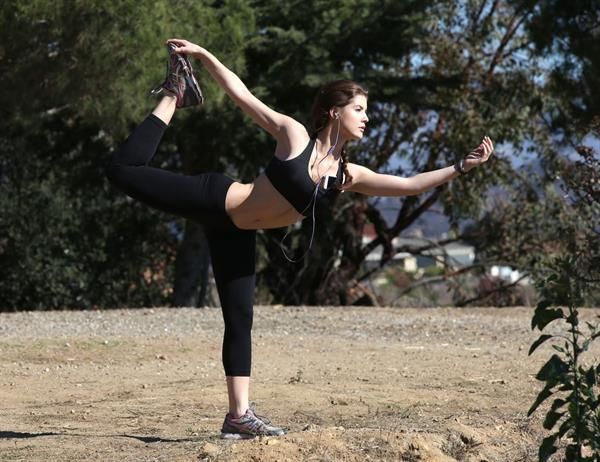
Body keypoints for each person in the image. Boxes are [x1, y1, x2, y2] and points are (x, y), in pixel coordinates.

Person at [105, 38, 494, 440]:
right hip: (215, 198)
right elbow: (242, 95)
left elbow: (409, 184)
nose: (366, 118)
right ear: (334, 112)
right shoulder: (294, 137)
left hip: (237, 232)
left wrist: (459, 167)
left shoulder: (346, 175)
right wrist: (203, 57)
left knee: (240, 320)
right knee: (121, 169)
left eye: (366, 111)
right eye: (358, 109)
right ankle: (174, 94)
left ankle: (238, 416)